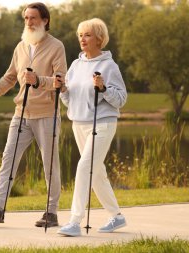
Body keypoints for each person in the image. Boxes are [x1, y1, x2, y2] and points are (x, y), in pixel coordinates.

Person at [0, 2, 67, 228]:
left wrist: (40, 81)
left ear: (45, 21)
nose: (29, 22)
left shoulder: (57, 47)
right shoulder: (21, 47)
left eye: (33, 18)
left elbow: (60, 83)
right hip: (21, 114)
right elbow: (9, 78)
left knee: (49, 164)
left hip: (47, 114)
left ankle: (51, 213)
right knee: (8, 159)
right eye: (26, 18)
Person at [55, 18, 127, 236]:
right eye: (80, 35)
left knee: (84, 167)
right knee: (96, 173)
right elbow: (70, 99)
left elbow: (121, 99)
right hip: (79, 123)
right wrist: (62, 90)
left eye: (87, 35)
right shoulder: (76, 65)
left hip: (102, 123)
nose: (82, 39)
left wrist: (103, 88)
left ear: (99, 38)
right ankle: (117, 217)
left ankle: (74, 222)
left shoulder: (109, 66)